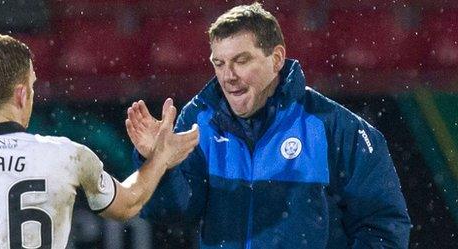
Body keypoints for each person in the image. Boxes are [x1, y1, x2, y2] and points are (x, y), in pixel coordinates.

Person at [0, 33, 199, 249]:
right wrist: (159, 157)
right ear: (21, 93)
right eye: (32, 84)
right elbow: (130, 203)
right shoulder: (66, 156)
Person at [126, 3, 411, 248]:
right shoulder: (199, 123)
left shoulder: (336, 128)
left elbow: (383, 226)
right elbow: (171, 213)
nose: (228, 76)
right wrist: (159, 164)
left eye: (241, 60)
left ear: (276, 59)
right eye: (219, 63)